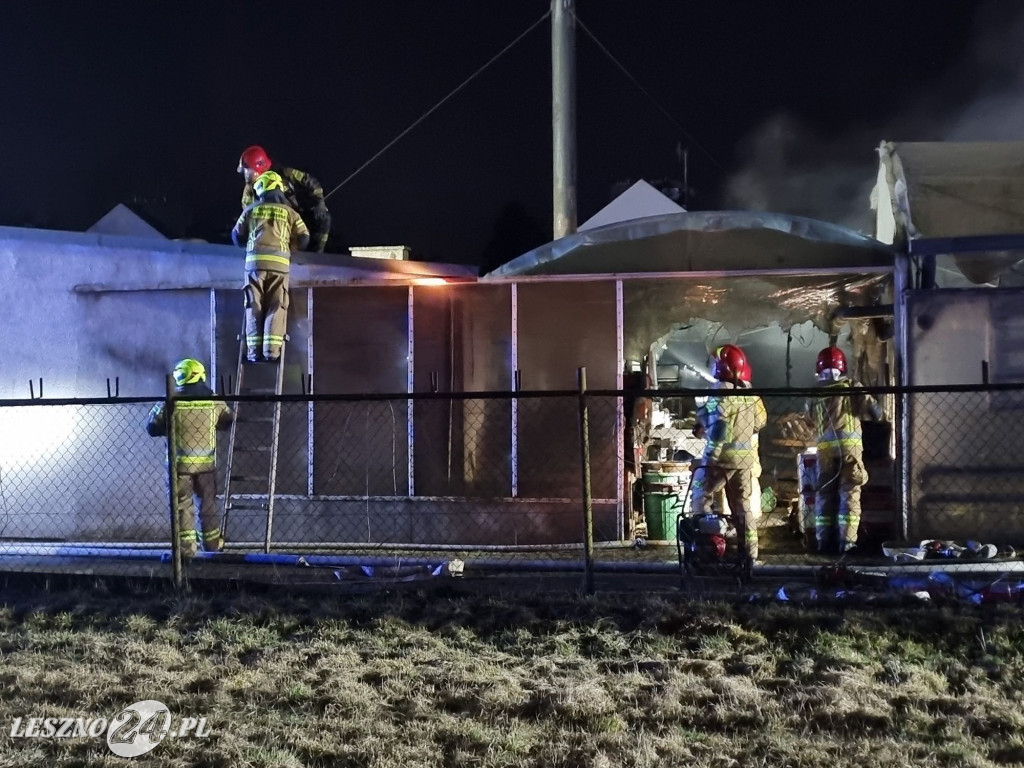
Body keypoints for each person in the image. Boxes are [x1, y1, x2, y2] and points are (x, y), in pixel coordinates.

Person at [146, 359, 234, 557]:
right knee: (208, 505)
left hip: (179, 467)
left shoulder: (171, 399)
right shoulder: (213, 399)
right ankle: (212, 548)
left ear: (180, 376)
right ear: (200, 374)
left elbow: (152, 427)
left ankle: (186, 552)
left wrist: (169, 428)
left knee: (182, 508)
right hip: (206, 467)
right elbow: (228, 419)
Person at [690, 344, 768, 562]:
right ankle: (750, 555)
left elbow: (719, 428)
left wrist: (708, 459)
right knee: (743, 507)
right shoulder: (750, 393)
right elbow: (760, 422)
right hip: (744, 460)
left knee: (700, 493)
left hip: (721, 459)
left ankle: (708, 548)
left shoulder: (719, 390)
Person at [811, 346, 883, 555]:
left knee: (824, 497)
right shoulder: (851, 386)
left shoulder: (814, 393)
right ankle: (847, 544)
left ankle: (824, 542)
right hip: (849, 452)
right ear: (842, 367)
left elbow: (810, 420)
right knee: (849, 496)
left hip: (824, 454)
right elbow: (875, 412)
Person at [231, 170, 310, 362]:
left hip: (254, 265)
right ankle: (271, 352)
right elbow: (305, 237)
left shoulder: (250, 210)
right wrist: (291, 245)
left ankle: (252, 353)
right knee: (277, 305)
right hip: (280, 266)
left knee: (253, 305)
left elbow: (236, 236)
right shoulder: (291, 213)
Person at [237, 145, 331, 253]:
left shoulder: (286, 173)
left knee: (323, 218)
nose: (245, 174)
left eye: (246, 169)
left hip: (293, 219)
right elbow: (247, 212)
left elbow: (311, 183)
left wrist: (319, 204)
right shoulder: (249, 190)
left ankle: (314, 256)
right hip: (270, 226)